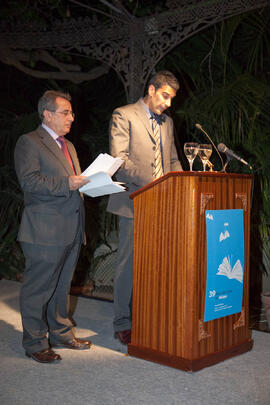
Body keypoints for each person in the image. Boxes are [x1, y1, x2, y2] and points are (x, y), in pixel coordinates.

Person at [14, 90, 91, 363]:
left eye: (71, 112)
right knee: (38, 288)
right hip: (44, 230)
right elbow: (30, 181)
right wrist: (67, 184)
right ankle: (35, 342)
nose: (72, 117)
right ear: (47, 114)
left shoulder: (68, 146)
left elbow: (76, 182)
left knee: (61, 287)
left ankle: (61, 333)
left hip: (71, 226)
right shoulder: (29, 142)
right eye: (65, 112)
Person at [107, 70, 183, 344]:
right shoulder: (124, 115)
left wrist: (181, 185)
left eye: (172, 98)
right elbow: (119, 160)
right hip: (134, 202)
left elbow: (172, 160)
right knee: (129, 266)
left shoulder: (167, 123)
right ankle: (122, 322)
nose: (169, 103)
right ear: (151, 90)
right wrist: (155, 182)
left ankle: (149, 316)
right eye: (165, 96)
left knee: (157, 264)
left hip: (162, 205)